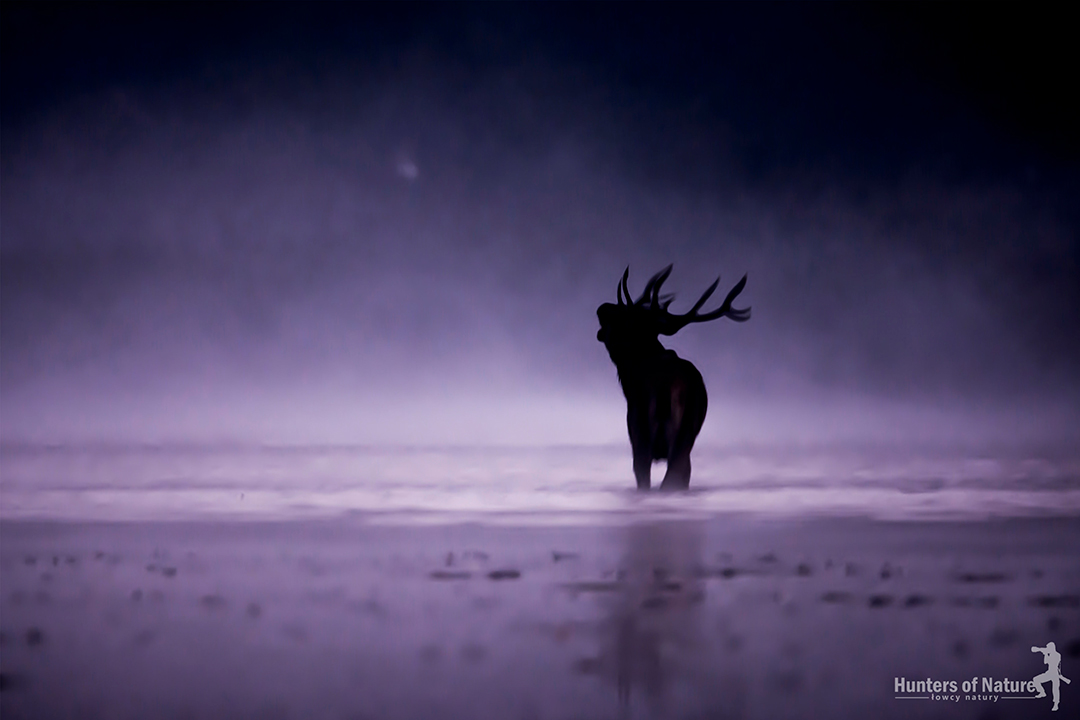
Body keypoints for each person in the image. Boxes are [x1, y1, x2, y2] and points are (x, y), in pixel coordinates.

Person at [1032, 642, 1071, 712]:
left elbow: (1054, 663)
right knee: (1036, 679)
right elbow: (1045, 662)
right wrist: (1045, 654)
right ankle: (1042, 692)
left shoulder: (1057, 655)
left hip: (1055, 674)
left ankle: (1056, 704)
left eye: (1048, 648)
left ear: (1052, 648)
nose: (1047, 649)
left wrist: (1046, 653)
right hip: (1049, 673)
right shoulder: (1049, 654)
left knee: (1055, 690)